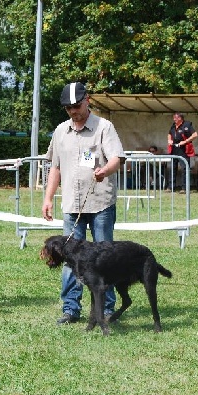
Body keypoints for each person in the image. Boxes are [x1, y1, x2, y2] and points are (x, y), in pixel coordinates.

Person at [42, 81, 126, 324]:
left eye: (76, 106)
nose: (73, 111)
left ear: (87, 100)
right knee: (69, 259)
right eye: (68, 108)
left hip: (100, 205)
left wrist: (104, 171)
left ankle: (107, 308)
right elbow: (55, 167)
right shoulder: (60, 132)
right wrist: (48, 198)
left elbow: (116, 159)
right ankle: (70, 308)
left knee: (104, 258)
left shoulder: (104, 127)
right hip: (71, 206)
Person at [166, 112, 198, 192]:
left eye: (175, 118)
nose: (174, 120)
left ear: (180, 118)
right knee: (172, 168)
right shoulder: (173, 126)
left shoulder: (187, 125)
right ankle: (171, 187)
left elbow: (195, 135)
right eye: (174, 118)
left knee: (184, 168)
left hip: (183, 149)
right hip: (174, 148)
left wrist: (185, 141)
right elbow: (169, 133)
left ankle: (184, 188)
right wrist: (169, 140)